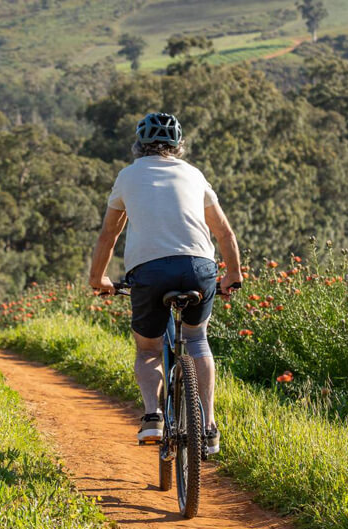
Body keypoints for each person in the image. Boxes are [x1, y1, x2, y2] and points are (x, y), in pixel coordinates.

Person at [89, 113, 242, 453]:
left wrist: (97, 278)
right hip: (199, 267)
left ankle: (153, 417)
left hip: (150, 271)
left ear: (138, 146)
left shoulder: (128, 176)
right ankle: (208, 425)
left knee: (147, 349)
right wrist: (233, 274)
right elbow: (224, 232)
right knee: (197, 339)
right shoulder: (194, 174)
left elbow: (108, 236)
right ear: (178, 146)